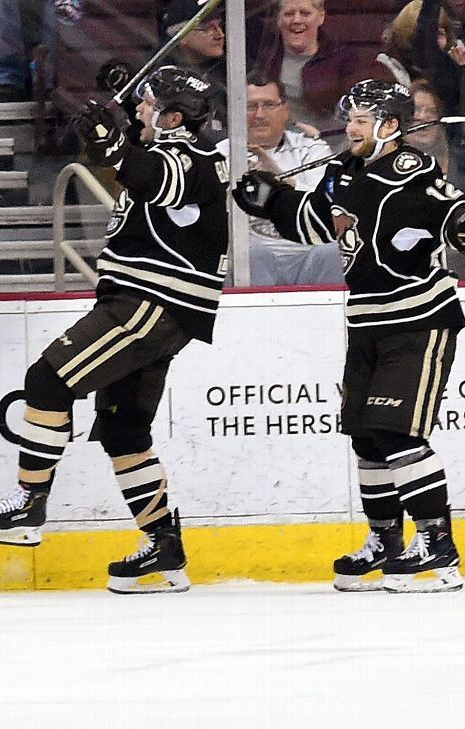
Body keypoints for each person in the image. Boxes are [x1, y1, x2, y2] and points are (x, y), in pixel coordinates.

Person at [0, 66, 228, 594]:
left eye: (149, 104)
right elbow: (137, 155)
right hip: (156, 307)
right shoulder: (170, 147)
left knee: (47, 381)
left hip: (150, 303)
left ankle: (29, 506)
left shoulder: (189, 159)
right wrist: (115, 116)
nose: (139, 110)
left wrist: (111, 141)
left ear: (175, 118)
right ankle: (164, 547)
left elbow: (153, 178)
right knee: (124, 432)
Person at [233, 79, 465, 593]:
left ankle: (438, 547)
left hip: (417, 319)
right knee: (366, 437)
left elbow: (451, 212)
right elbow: (318, 224)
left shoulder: (412, 169)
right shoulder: (344, 169)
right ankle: (385, 540)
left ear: (389, 126)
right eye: (351, 117)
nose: (351, 127)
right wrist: (270, 200)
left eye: (362, 119)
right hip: (364, 321)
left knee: (398, 433)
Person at [236, 73, 340, 285]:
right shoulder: (224, 154)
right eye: (251, 106)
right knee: (249, 252)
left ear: (285, 110)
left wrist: (279, 179)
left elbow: (327, 203)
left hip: (308, 252)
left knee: (333, 251)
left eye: (269, 105)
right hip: (256, 256)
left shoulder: (312, 149)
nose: (259, 115)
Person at [252, 0, 368, 134]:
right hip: (277, 142)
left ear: (321, 17)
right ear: (278, 19)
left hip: (330, 142)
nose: (296, 20)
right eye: (289, 14)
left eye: (305, 13)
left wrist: (321, 134)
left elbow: (353, 112)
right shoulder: (265, 59)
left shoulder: (344, 60)